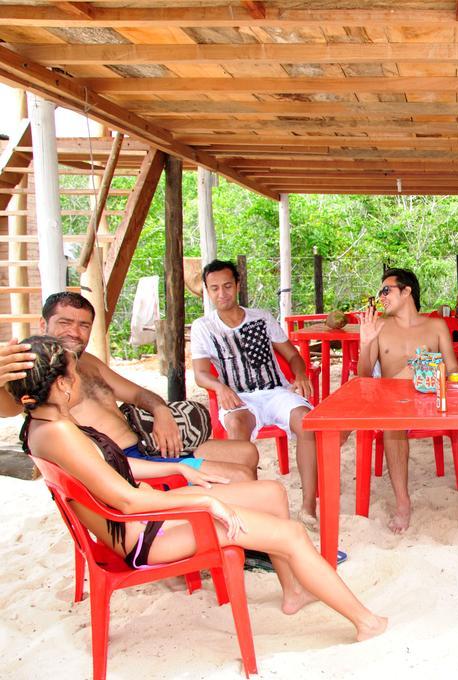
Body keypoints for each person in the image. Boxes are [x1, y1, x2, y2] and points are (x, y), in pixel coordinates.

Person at [9, 336, 386, 641]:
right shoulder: (57, 432)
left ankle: (295, 590)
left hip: (147, 513)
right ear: (59, 384)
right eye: (73, 375)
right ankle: (365, 622)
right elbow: (124, 497)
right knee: (290, 534)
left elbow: (112, 468)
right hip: (147, 533)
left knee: (270, 493)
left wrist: (177, 468)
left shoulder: (48, 423)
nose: (79, 380)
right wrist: (205, 501)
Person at [0, 292, 257, 482]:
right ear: (44, 325)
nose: (75, 333)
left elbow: (137, 393)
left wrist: (161, 411)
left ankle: (246, 541)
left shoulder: (88, 362)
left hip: (147, 446)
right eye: (65, 323)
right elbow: (8, 407)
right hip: (125, 467)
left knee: (246, 452)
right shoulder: (34, 370)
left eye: (84, 325)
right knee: (240, 476)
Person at [190, 260, 318, 525]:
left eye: (227, 286)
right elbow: (201, 373)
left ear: (237, 285)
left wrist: (301, 374)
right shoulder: (203, 326)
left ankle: (308, 507)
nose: (221, 293)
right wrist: (219, 387)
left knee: (307, 423)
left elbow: (292, 355)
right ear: (207, 291)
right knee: (237, 425)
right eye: (214, 288)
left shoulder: (261, 317)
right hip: (239, 396)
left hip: (276, 391)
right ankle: (253, 509)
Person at [356, 268, 458, 533]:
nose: (381, 297)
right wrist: (366, 343)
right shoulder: (379, 327)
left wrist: (426, 370)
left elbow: (452, 368)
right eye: (380, 292)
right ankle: (403, 502)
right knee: (393, 421)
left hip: (428, 397)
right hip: (393, 403)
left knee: (416, 367)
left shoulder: (435, 325)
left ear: (406, 291)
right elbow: (364, 376)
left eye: (386, 290)